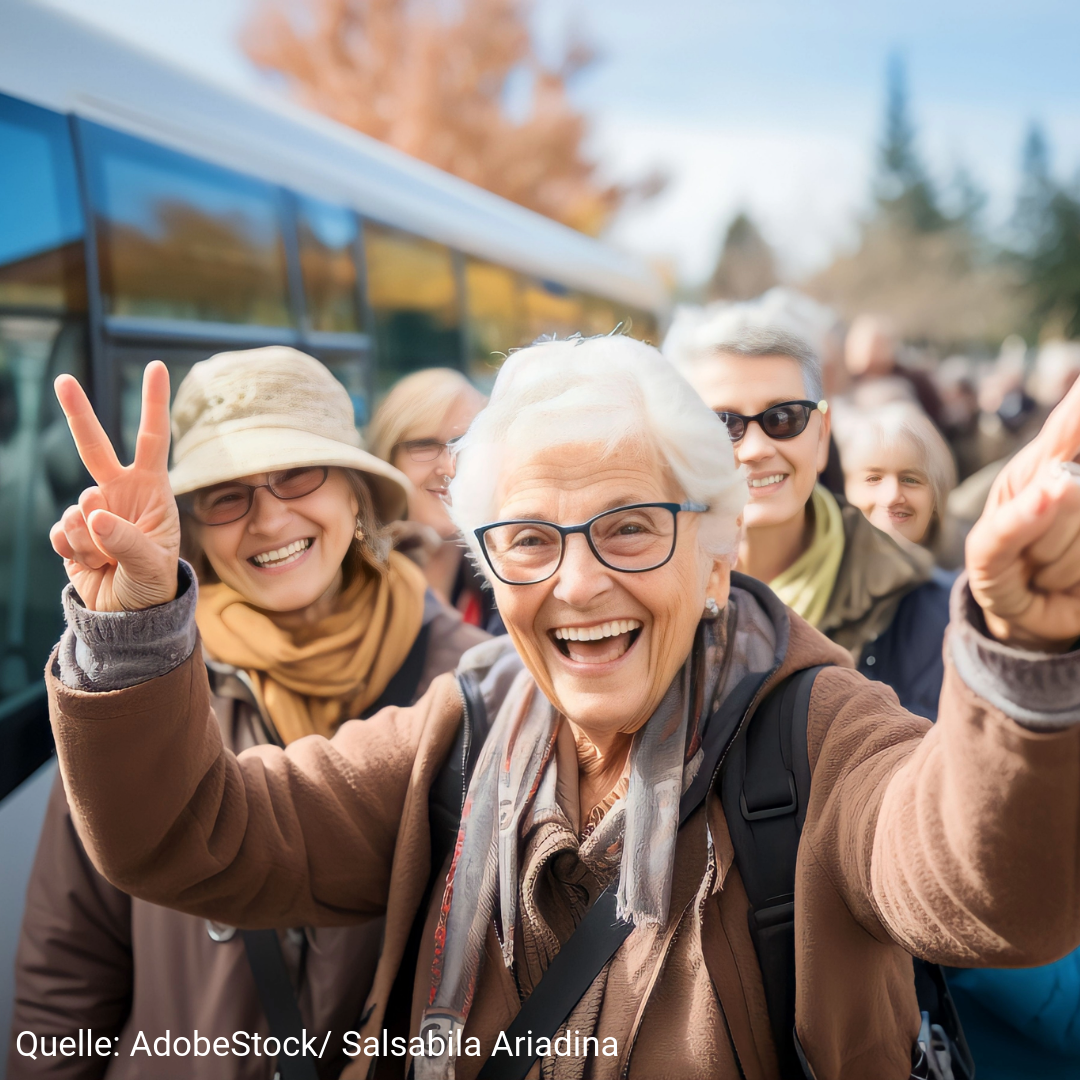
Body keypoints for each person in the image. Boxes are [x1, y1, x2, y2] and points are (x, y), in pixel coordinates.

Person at [36, 335, 1080, 1080]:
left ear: (718, 559)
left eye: (631, 528)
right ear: (487, 570)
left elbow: (989, 893)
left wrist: (1023, 655)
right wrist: (130, 628)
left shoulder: (816, 738)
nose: (577, 584)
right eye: (529, 539)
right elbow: (187, 838)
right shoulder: (461, 728)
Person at [8, 347, 487, 1080]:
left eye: (297, 475)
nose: (268, 519)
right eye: (225, 495)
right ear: (192, 527)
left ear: (358, 492)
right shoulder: (136, 681)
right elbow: (66, 971)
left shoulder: (468, 681)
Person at [667, 325, 952, 720]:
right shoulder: (645, 593)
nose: (755, 449)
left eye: (783, 418)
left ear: (822, 436)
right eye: (722, 424)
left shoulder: (931, 614)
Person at [368, 368, 501, 633]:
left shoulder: (506, 582)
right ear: (387, 458)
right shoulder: (355, 590)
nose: (449, 468)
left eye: (464, 444)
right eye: (425, 446)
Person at [838, 402, 958, 552]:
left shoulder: (969, 570)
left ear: (937, 496)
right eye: (873, 479)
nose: (891, 496)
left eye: (910, 480)